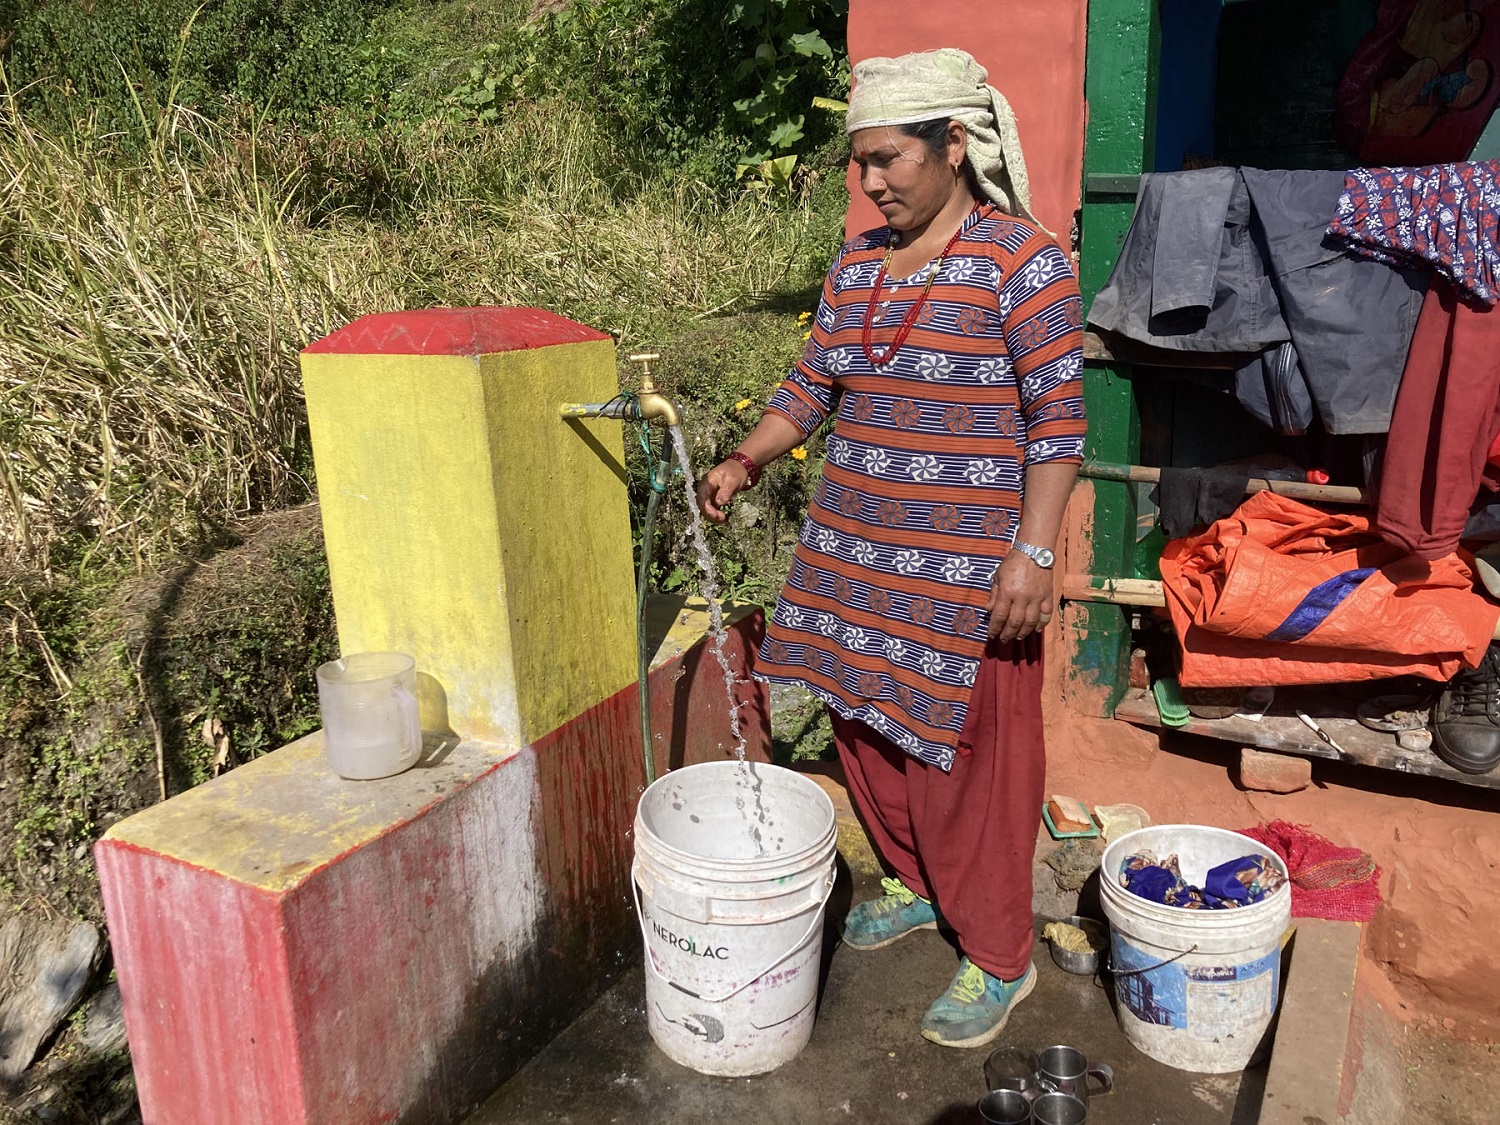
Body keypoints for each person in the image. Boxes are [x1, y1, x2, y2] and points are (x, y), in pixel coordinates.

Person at [695, 47, 1086, 1048]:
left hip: (970, 579)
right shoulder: (858, 263)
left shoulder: (1022, 262)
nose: (870, 183)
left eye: (889, 161)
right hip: (853, 561)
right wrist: (746, 459)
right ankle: (917, 884)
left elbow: (1059, 425)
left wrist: (1033, 557)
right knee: (867, 737)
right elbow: (808, 389)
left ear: (955, 145)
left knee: (970, 769)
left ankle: (1000, 955)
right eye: (859, 164)